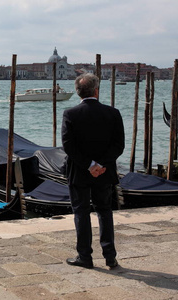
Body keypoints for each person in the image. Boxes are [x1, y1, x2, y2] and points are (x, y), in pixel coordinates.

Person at [61, 73, 125, 269]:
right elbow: (119, 145)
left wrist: (89, 165)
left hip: (80, 172)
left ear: (77, 92)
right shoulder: (113, 113)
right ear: (96, 90)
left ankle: (85, 257)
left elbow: (68, 146)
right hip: (104, 172)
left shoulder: (70, 114)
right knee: (104, 211)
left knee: (81, 212)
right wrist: (101, 165)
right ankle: (110, 256)